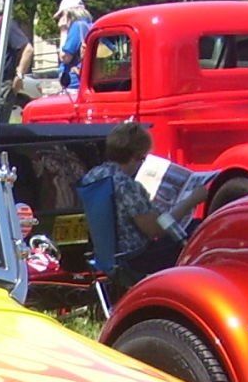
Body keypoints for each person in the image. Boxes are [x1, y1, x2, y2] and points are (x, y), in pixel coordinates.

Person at [81, 120, 189, 281]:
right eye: (142, 159)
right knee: (196, 232)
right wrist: (190, 201)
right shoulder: (126, 185)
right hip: (135, 259)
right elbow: (155, 231)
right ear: (134, 158)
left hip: (108, 255)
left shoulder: (93, 176)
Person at [55, 0, 92, 90]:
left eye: (61, 15)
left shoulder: (77, 26)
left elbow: (65, 57)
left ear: (68, 13)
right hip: (86, 81)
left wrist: (63, 31)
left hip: (75, 84)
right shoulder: (90, 25)